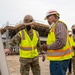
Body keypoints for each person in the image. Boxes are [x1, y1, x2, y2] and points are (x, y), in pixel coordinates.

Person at [40, 9, 73, 75]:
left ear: (55, 16)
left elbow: (60, 42)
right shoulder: (54, 27)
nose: (48, 20)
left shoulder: (59, 25)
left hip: (59, 60)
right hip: (58, 59)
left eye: (49, 17)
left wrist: (47, 47)